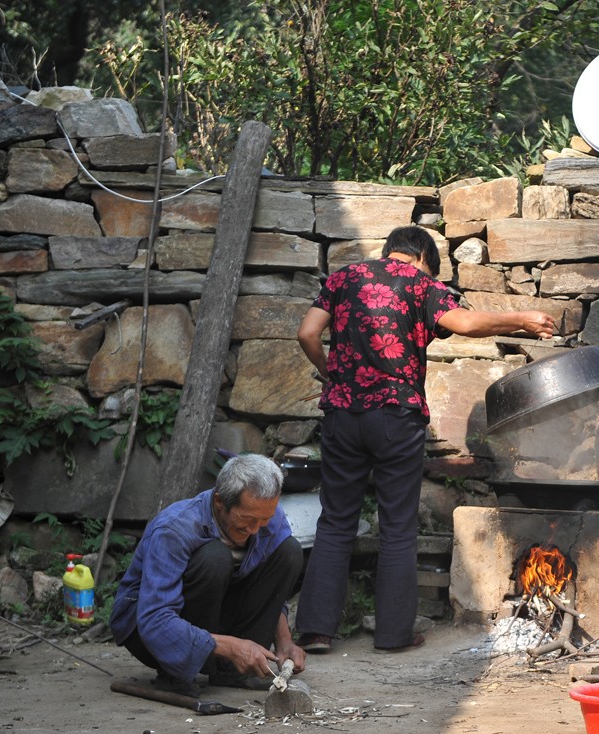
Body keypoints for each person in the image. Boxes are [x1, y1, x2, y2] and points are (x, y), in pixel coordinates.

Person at [294, 225, 556, 654]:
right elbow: (465, 322)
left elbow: (306, 333)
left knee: (336, 521)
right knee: (397, 528)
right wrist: (520, 318)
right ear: (421, 257)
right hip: (396, 416)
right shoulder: (421, 283)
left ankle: (317, 632)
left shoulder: (344, 278)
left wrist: (330, 375)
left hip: (343, 414)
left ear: (389, 250)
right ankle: (393, 635)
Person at [111, 454, 306, 697]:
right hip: (147, 628)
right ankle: (175, 673)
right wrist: (231, 646)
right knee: (215, 558)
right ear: (219, 503)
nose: (255, 529)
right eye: (246, 519)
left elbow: (270, 587)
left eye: (264, 519)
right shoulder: (174, 529)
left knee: (289, 551)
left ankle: (233, 672)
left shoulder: (267, 515)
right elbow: (155, 620)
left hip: (215, 613)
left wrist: (284, 640)